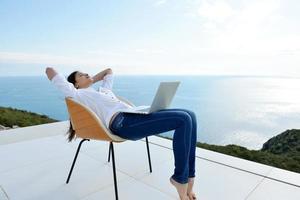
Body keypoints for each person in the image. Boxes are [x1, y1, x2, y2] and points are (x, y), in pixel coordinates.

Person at [45, 67, 197, 200]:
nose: (86, 74)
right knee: (183, 119)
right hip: (122, 123)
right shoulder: (77, 94)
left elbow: (108, 71)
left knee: (191, 115)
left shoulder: (104, 91)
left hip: (133, 115)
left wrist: (91, 80)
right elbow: (49, 70)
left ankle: (189, 177)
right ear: (75, 84)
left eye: (86, 73)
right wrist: (80, 84)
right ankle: (180, 178)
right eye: (81, 75)